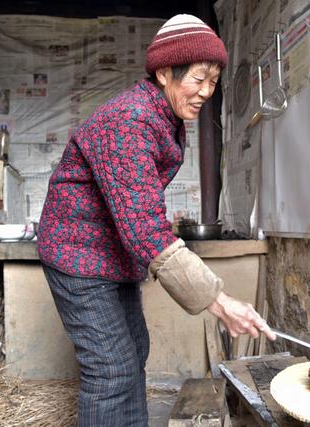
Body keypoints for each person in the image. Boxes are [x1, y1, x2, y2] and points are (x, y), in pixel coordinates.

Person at [37, 14, 275, 427]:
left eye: (213, 81)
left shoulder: (165, 119)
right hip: (77, 254)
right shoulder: (128, 121)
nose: (206, 91)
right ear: (165, 72)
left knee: (134, 352)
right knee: (110, 368)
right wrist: (219, 303)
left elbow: (137, 209)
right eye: (198, 78)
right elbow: (143, 227)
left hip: (112, 255)